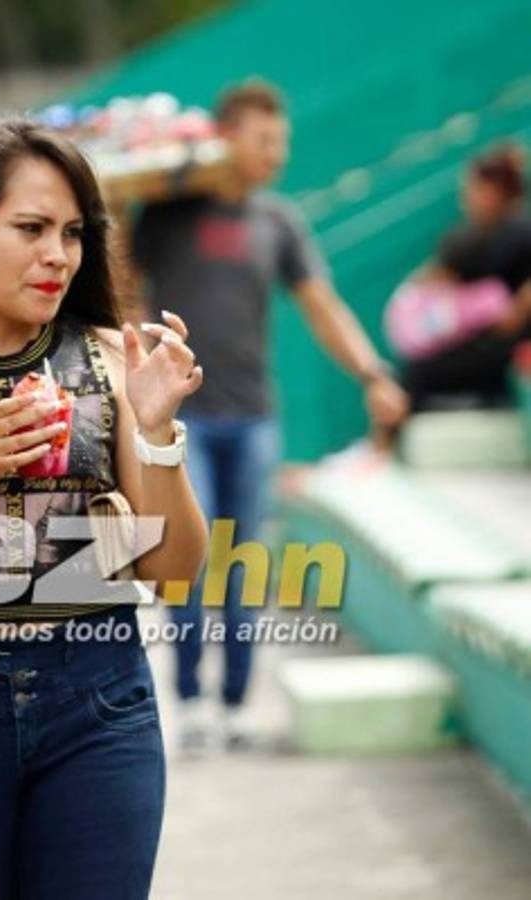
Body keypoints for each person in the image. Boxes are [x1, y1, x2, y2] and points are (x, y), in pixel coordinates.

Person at [0, 119, 208, 900]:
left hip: (99, 694)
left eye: (73, 232)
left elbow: (174, 568)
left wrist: (156, 432)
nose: (58, 255)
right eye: (30, 228)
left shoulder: (110, 357)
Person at [131, 79, 409, 749]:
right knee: (188, 562)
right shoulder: (163, 215)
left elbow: (321, 305)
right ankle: (190, 702)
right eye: (264, 140)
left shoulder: (277, 222)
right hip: (184, 420)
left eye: (281, 141)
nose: (276, 153)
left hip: (254, 417)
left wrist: (372, 373)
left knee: (244, 564)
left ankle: (234, 706)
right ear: (225, 137)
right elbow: (122, 292)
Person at [399, 145, 531, 410]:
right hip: (491, 338)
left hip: (510, 343)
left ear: (495, 190)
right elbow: (435, 275)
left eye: (475, 189)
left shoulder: (517, 231)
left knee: (418, 375)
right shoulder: (480, 235)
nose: (467, 198)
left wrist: (518, 310)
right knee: (415, 371)